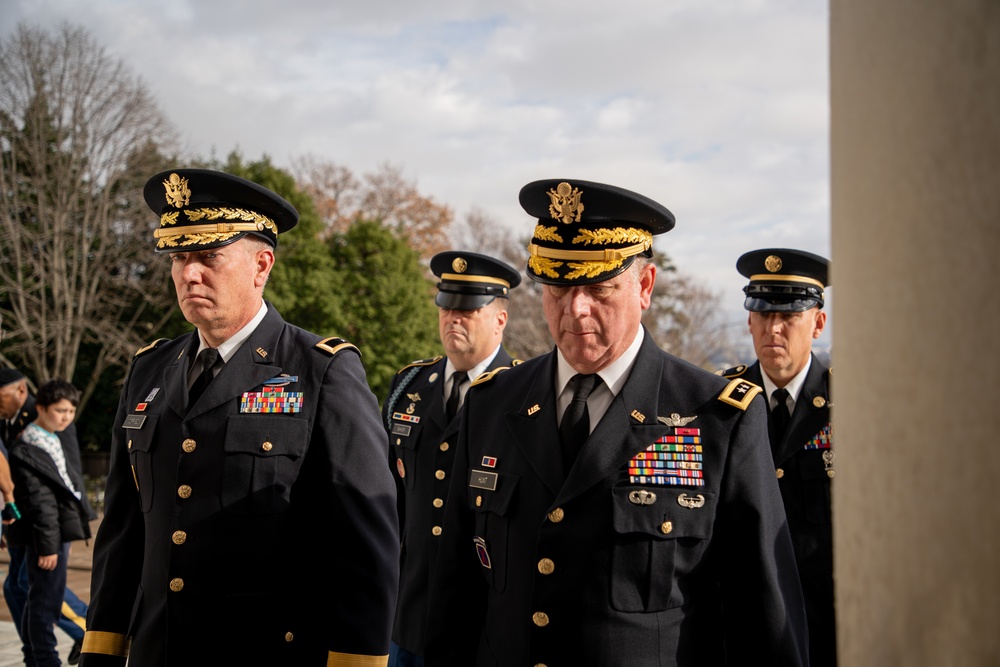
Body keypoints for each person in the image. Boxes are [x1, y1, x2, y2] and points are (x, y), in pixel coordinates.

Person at [423, 179, 809, 666]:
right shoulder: (492, 405)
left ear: (644, 287)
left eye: (599, 288)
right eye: (558, 288)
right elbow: (456, 601)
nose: (575, 308)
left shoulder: (717, 417)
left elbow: (763, 620)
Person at [79, 169, 399, 666]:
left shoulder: (321, 371)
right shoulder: (150, 371)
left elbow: (364, 545)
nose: (188, 274)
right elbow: (123, 531)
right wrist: (101, 649)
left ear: (261, 265)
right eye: (179, 257)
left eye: (209, 256)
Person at [383, 251, 521, 667]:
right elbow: (390, 498)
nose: (453, 318)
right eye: (446, 307)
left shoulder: (523, 396)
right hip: (406, 617)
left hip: (481, 624)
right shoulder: (410, 385)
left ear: (500, 318)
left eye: (468, 309)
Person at [720, 247, 833, 667]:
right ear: (749, 320)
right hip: (742, 629)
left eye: (789, 316)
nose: (774, 328)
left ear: (818, 323)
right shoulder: (719, 407)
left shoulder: (855, 406)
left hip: (827, 628)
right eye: (764, 314)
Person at [0, 368, 91, 664]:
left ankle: (84, 631)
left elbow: (64, 477)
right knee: (18, 587)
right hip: (30, 522)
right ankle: (37, 653)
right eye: (62, 411)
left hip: (47, 523)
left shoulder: (47, 419)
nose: (66, 416)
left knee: (34, 590)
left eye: (70, 411)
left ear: (21, 392)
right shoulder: (21, 425)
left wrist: (71, 516)